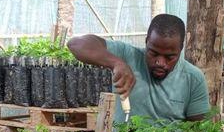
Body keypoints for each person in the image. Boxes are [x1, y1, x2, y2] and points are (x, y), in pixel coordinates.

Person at [67, 13, 210, 125]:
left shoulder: (193, 78)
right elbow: (75, 44)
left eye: (169, 57)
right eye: (153, 53)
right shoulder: (128, 55)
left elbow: (199, 131)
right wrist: (116, 63)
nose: (160, 62)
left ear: (181, 49)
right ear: (147, 41)